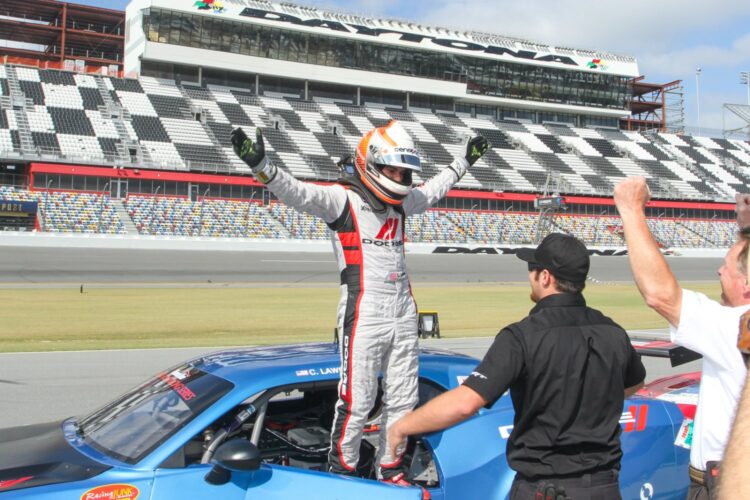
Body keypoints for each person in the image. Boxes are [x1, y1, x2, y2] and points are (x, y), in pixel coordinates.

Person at [231, 121, 488, 492]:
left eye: (405, 171)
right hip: (364, 311)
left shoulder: (402, 203)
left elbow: (433, 190)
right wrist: (262, 166)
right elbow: (297, 193)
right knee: (358, 400)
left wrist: (464, 162)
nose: (401, 177)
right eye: (395, 170)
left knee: (403, 400)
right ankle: (344, 472)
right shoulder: (342, 198)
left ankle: (390, 468)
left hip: (404, 310)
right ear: (372, 164)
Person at [388, 232, 646, 500]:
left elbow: (465, 402)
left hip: (545, 489)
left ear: (545, 277)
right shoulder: (613, 331)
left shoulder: (522, 336)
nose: (530, 276)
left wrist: (402, 426)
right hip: (604, 488)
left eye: (532, 269)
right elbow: (635, 383)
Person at [613, 177, 749, 500]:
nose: (719, 271)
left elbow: (660, 294)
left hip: (724, 484)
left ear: (745, 284)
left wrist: (631, 209)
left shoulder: (733, 325)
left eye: (726, 267)